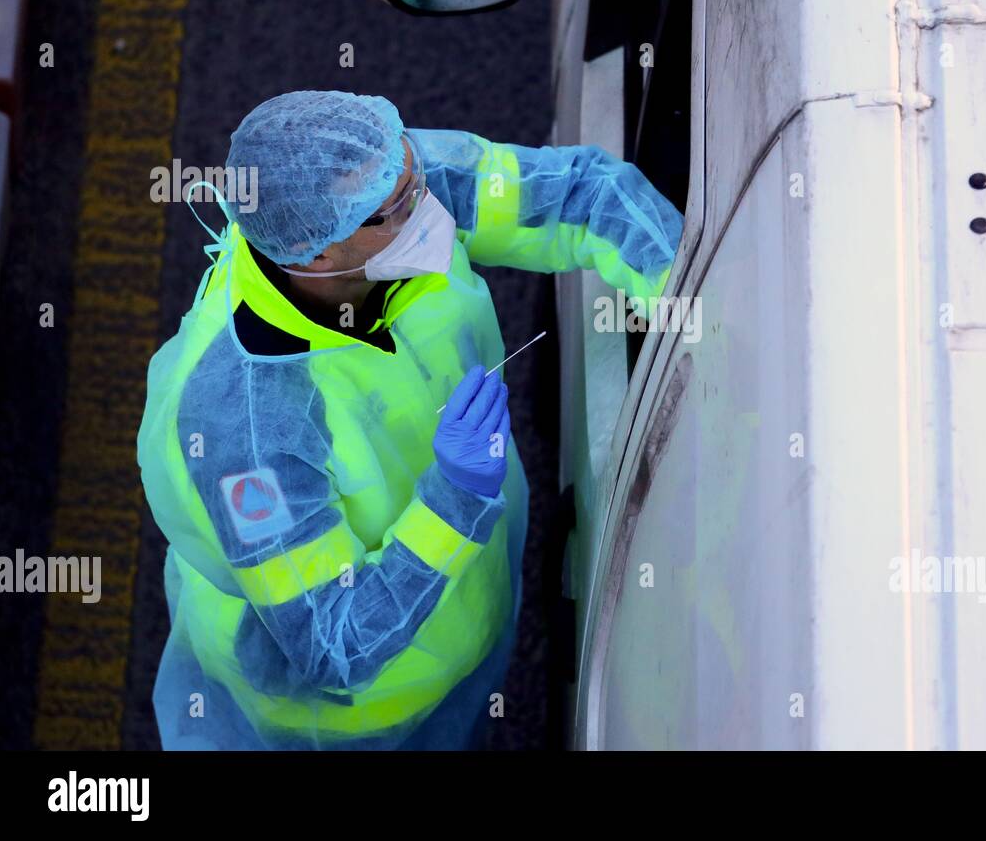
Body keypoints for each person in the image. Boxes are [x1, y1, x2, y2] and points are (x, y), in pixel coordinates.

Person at [137, 90, 682, 749]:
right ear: (315, 252)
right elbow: (335, 641)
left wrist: (697, 305)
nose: (430, 203)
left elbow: (582, 195)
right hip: (351, 719)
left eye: (413, 176)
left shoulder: (387, 180)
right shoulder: (245, 427)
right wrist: (456, 498)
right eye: (397, 209)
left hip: (461, 615)